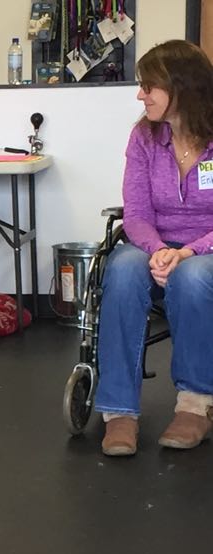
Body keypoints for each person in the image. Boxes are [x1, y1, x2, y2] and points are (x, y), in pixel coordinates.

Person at [95, 40, 213, 457]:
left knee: (194, 274)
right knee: (124, 269)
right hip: (154, 243)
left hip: (207, 251)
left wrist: (188, 252)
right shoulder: (144, 136)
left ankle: (195, 406)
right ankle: (118, 410)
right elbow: (137, 211)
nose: (139, 94)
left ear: (181, 88)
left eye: (149, 86)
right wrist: (161, 248)